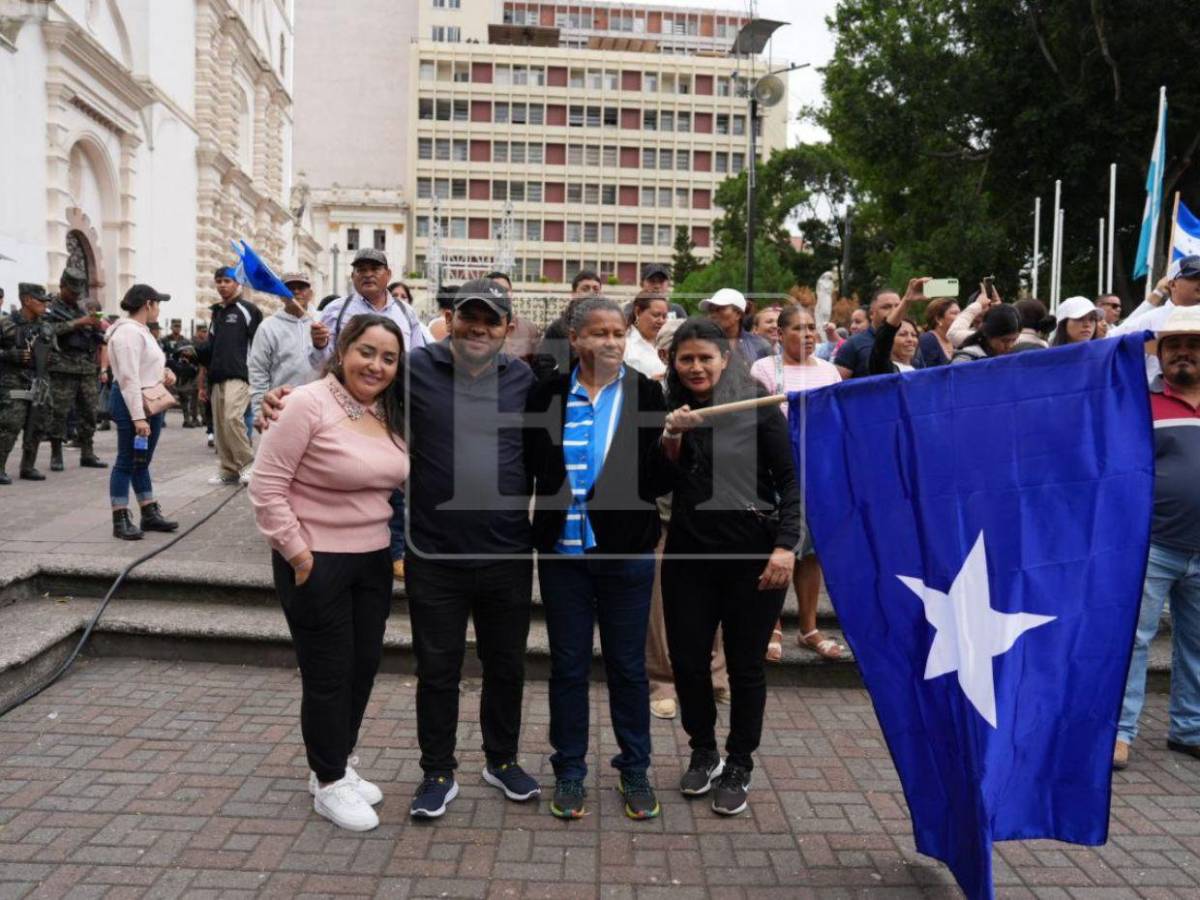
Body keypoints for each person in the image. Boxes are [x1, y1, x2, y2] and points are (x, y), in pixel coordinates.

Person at [263, 279, 541, 819]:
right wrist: (282, 399)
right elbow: (348, 395)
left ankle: (501, 760)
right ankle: (436, 770)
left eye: (492, 319)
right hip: (434, 552)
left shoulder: (526, 377)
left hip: (507, 550)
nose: (479, 327)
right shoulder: (413, 369)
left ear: (508, 328)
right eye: (469, 316)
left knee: (506, 665)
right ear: (449, 318)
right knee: (437, 668)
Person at [249, 314, 410, 831]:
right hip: (317, 561)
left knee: (362, 666)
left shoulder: (387, 411)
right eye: (367, 351)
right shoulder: (304, 403)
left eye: (389, 357)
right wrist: (299, 554)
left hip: (373, 558)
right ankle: (329, 779)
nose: (377, 365)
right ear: (341, 350)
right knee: (327, 673)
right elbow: (266, 487)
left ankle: (334, 765)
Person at [525, 297, 672, 821]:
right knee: (567, 667)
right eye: (598, 333)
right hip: (563, 554)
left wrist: (672, 449)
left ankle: (634, 767)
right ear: (575, 337)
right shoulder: (546, 392)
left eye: (617, 332)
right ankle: (569, 771)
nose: (610, 341)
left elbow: (657, 480)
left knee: (628, 668)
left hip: (626, 552)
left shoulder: (646, 390)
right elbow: (531, 467)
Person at [659, 318, 801, 817]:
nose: (696, 367)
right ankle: (704, 749)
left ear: (725, 359)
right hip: (688, 559)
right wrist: (672, 436)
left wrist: (786, 546)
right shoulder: (669, 407)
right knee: (690, 662)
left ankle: (740, 761)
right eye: (686, 358)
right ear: (674, 364)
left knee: (745, 666)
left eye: (705, 358)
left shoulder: (759, 408)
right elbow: (659, 480)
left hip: (754, 561)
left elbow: (790, 480)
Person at [1114, 306, 1200, 770]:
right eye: (1174, 347)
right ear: (1160, 355)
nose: (1183, 354)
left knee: (1199, 645)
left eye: (1194, 347)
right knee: (1134, 641)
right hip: (1152, 544)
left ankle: (1190, 729)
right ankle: (1120, 732)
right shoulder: (1139, 402)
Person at [749, 306, 843, 662]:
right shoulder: (763, 369)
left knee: (811, 553)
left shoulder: (829, 370)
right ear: (779, 334)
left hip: (818, 472)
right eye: (797, 328)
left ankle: (808, 628)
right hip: (775, 473)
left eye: (810, 328)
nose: (806, 335)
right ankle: (771, 627)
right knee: (778, 547)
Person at [105, 285, 179, 540]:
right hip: (132, 403)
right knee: (126, 460)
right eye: (158, 303)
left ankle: (149, 512)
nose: (159, 309)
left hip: (149, 399)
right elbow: (128, 378)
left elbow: (144, 368)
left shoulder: (141, 332)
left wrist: (165, 374)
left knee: (141, 460)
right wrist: (138, 417)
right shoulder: (127, 334)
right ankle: (120, 517)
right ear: (148, 304)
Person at [197, 267, 261, 484]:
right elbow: (211, 348)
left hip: (240, 375)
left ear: (237, 283)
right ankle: (228, 469)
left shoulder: (248, 309)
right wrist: (193, 353)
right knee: (220, 425)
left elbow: (259, 345)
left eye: (226, 280)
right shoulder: (217, 312)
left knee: (232, 418)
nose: (222, 285)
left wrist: (258, 377)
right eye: (218, 281)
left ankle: (248, 464)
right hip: (217, 376)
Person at [311, 249, 428, 366]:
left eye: (375, 269)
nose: (368, 274)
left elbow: (418, 360)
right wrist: (320, 345)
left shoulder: (406, 312)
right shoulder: (336, 310)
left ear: (388, 274)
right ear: (352, 276)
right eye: (361, 270)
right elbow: (320, 364)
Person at [43, 267, 107, 470]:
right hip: (62, 367)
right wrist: (80, 322)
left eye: (78, 292)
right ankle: (56, 453)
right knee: (59, 412)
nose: (75, 296)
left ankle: (87, 452)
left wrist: (96, 327)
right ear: (62, 286)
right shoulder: (49, 307)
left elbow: (95, 336)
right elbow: (48, 330)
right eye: (71, 292)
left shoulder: (81, 307)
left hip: (86, 368)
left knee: (90, 411)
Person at [1108, 257, 1200, 381]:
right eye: (1195, 277)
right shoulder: (1150, 320)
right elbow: (1109, 344)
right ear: (1172, 284)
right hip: (1157, 397)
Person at [0, 283, 54, 483]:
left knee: (37, 424)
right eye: (40, 300)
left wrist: (49, 359)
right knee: (10, 423)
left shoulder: (46, 326)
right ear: (26, 300)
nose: (44, 304)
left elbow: (55, 353)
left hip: (39, 381)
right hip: (13, 383)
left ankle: (28, 466)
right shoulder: (5, 323)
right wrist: (9, 355)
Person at [249, 271, 318, 424]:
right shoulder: (268, 327)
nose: (296, 291)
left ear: (311, 293)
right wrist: (259, 412)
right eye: (289, 288)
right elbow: (258, 371)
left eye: (302, 287)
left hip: (321, 406)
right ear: (280, 295)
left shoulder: (322, 321)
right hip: (283, 405)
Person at [534, 269, 604, 376]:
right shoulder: (558, 328)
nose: (591, 293)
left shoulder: (608, 326)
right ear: (573, 294)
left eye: (596, 289)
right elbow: (544, 366)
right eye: (585, 288)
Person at [833, 289, 901, 379]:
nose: (894, 311)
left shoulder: (910, 342)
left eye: (898, 307)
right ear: (872, 314)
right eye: (886, 307)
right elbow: (837, 384)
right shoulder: (854, 344)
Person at [867, 279, 929, 375]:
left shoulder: (919, 370)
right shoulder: (883, 368)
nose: (910, 339)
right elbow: (887, 333)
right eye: (903, 334)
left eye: (914, 335)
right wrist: (907, 300)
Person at [700, 289, 771, 364]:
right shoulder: (701, 344)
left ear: (738, 314)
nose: (713, 315)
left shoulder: (759, 345)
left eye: (720, 309)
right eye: (711, 311)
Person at [950, 304, 1021, 363]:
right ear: (987, 334)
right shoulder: (965, 361)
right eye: (1004, 341)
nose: (1010, 346)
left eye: (1014, 340)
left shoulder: (1015, 358)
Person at [624, 291, 670, 379]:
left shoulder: (669, 344)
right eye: (656, 315)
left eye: (664, 316)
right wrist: (648, 384)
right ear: (638, 312)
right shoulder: (624, 345)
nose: (661, 321)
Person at [917, 297, 959, 367]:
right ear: (938, 319)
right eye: (954, 313)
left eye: (960, 313)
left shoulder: (956, 340)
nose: (960, 317)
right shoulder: (927, 340)